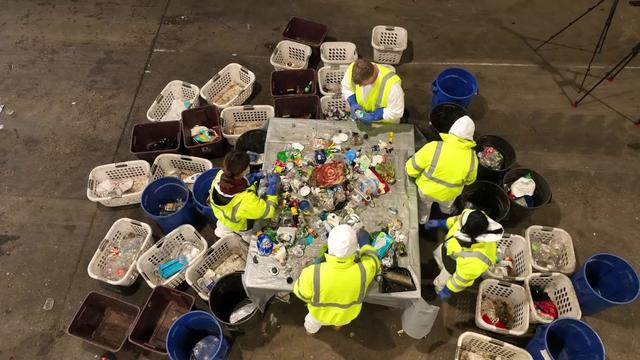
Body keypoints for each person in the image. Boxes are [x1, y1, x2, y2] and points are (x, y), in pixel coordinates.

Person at [293, 225, 381, 334]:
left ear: (329, 246)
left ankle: (310, 332)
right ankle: (337, 327)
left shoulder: (312, 273)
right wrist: (365, 242)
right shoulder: (363, 271)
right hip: (345, 315)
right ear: (355, 249)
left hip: (319, 315)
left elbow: (302, 294)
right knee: (340, 322)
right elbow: (372, 259)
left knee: (311, 325)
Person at [405, 115, 478, 223]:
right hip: (449, 194)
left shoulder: (433, 147)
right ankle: (446, 212)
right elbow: (470, 180)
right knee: (447, 205)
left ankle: (422, 220)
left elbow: (411, 169)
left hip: (426, 191)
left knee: (423, 207)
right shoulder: (473, 158)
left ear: (451, 131)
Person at [426, 209, 504, 300]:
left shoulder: (477, 260)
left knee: (441, 281)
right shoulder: (475, 218)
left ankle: (436, 291)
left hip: (453, 268)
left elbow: (461, 279)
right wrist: (442, 223)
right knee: (438, 259)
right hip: (449, 250)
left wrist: (448, 289)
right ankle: (439, 266)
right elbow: (458, 219)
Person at [209, 150, 280, 239]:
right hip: (241, 226)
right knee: (248, 238)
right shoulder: (246, 200)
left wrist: (251, 178)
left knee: (226, 225)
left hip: (223, 216)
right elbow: (268, 211)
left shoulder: (219, 176)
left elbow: (234, 184)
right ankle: (245, 240)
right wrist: (272, 188)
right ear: (244, 171)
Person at [341, 59, 404, 124]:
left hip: (384, 124)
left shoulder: (392, 86)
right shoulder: (353, 69)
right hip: (363, 120)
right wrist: (353, 103)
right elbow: (347, 87)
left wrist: (373, 116)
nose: (360, 86)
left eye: (364, 84)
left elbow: (396, 112)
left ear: (373, 74)